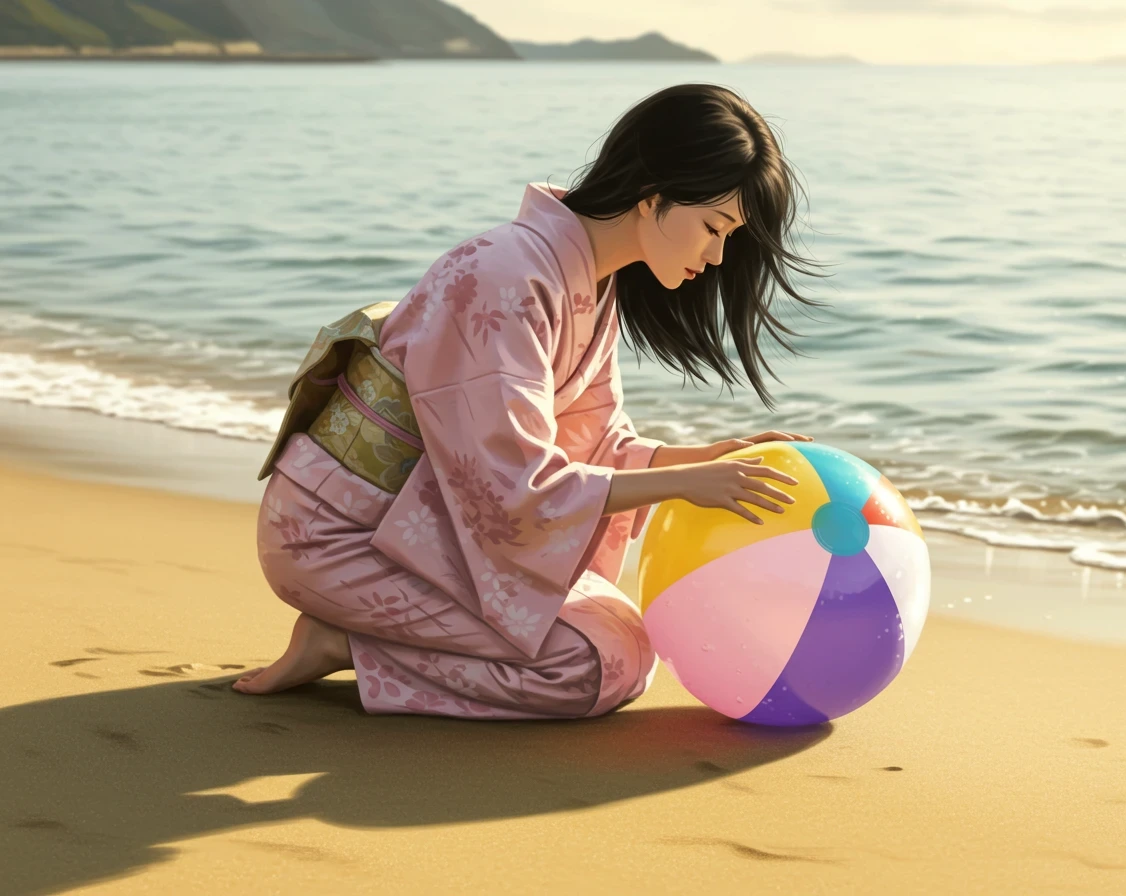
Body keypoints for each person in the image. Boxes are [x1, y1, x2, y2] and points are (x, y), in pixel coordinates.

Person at [233, 83, 829, 719]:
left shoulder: (587, 284)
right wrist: (685, 484)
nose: (716, 257)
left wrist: (705, 458)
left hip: (414, 529)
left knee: (624, 643)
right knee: (590, 668)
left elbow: (595, 446)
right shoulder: (503, 277)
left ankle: (355, 640)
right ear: (653, 198)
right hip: (341, 539)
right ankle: (344, 640)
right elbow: (513, 486)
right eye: (715, 228)